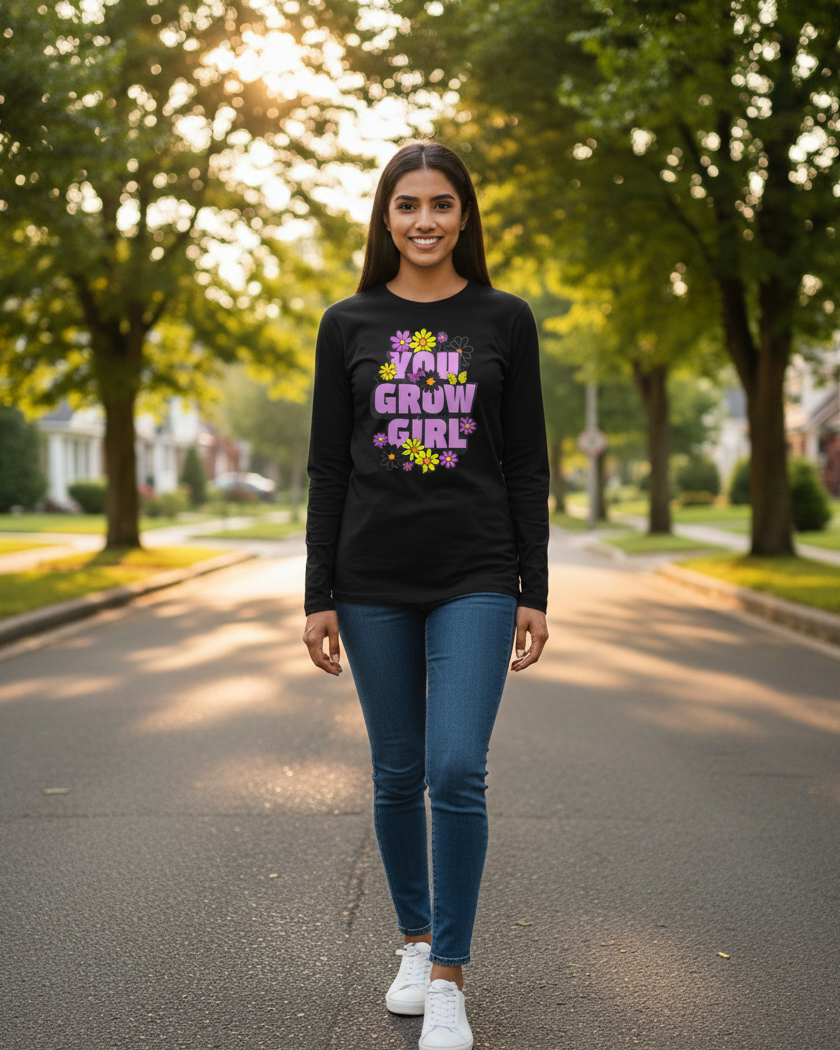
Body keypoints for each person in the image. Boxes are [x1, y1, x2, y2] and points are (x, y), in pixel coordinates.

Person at [303, 140, 549, 1050]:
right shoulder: (347, 323)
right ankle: (412, 940)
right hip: (369, 582)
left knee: (455, 769)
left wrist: (535, 586)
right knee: (397, 771)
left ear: (465, 217)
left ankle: (449, 976)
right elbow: (329, 466)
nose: (424, 221)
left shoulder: (506, 319)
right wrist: (316, 592)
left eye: (441, 204)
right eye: (406, 205)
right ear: (384, 218)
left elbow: (526, 465)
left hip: (477, 576)